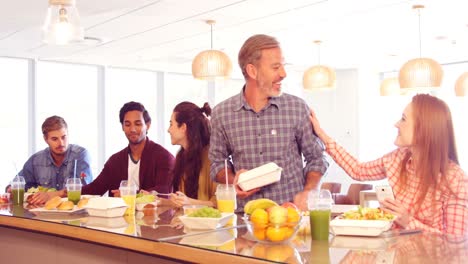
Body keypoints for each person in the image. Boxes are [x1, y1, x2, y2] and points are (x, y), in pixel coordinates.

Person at [310, 94, 468, 235]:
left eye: (404, 119)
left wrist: (408, 221)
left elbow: (455, 242)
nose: (396, 124)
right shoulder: (398, 158)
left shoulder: (455, 179)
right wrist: (322, 135)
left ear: (424, 129)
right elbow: (358, 170)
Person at [209, 34, 329, 211]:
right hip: (245, 218)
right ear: (252, 71)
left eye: (283, 66)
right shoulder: (221, 113)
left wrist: (308, 192)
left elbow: (317, 158)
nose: (283, 74)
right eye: (275, 67)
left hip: (290, 217)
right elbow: (218, 161)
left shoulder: (297, 108)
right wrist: (232, 179)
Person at [82, 101, 175, 196]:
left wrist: (129, 194)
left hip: (152, 210)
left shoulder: (164, 157)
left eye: (138, 124)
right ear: (122, 127)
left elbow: (164, 191)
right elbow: (95, 188)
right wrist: (70, 193)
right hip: (121, 211)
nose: (132, 129)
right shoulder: (115, 161)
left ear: (147, 125)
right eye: (127, 124)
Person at [8, 115, 93, 205]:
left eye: (64, 137)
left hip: (76, 213)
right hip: (42, 215)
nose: (61, 143)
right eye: (54, 139)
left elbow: (82, 189)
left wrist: (50, 195)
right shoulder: (36, 160)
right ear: (46, 139)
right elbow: (20, 183)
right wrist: (10, 189)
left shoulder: (80, 155)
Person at [165, 101, 217, 207]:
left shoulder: (211, 157)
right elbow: (182, 201)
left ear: (183, 127)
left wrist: (189, 203)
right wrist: (158, 201)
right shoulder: (182, 156)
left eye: (171, 124)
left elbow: (220, 203)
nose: (168, 130)